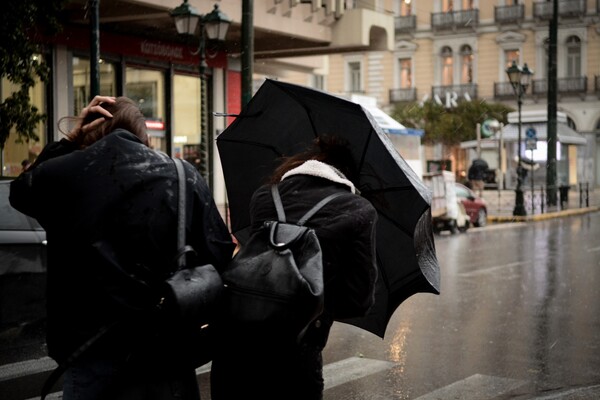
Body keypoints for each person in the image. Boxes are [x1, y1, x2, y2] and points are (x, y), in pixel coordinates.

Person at [10, 96, 235, 400]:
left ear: (93, 130)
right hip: (164, 350)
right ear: (144, 137)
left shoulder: (63, 174)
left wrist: (71, 141)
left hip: (89, 349)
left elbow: (20, 194)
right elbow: (218, 255)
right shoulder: (183, 176)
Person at [210, 136, 378, 400]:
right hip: (298, 355)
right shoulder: (358, 210)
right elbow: (358, 301)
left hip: (236, 345)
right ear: (347, 175)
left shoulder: (265, 195)